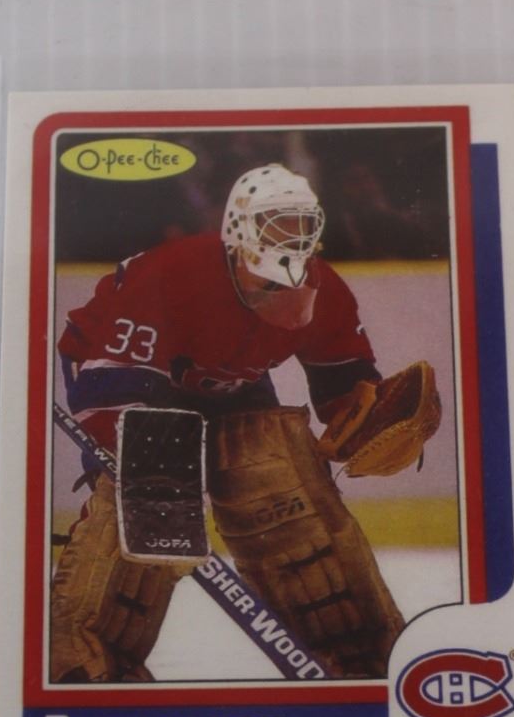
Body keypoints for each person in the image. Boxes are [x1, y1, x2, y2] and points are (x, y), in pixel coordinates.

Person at [50, 163, 439, 683]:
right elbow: (110, 375)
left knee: (278, 479)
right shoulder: (173, 274)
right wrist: (140, 468)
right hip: (128, 375)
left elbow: (343, 380)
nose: (291, 239)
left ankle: (357, 654)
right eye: (277, 224)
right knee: (141, 508)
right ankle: (85, 661)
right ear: (238, 232)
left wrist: (360, 415)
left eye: (300, 224)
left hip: (228, 381)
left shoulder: (322, 286)